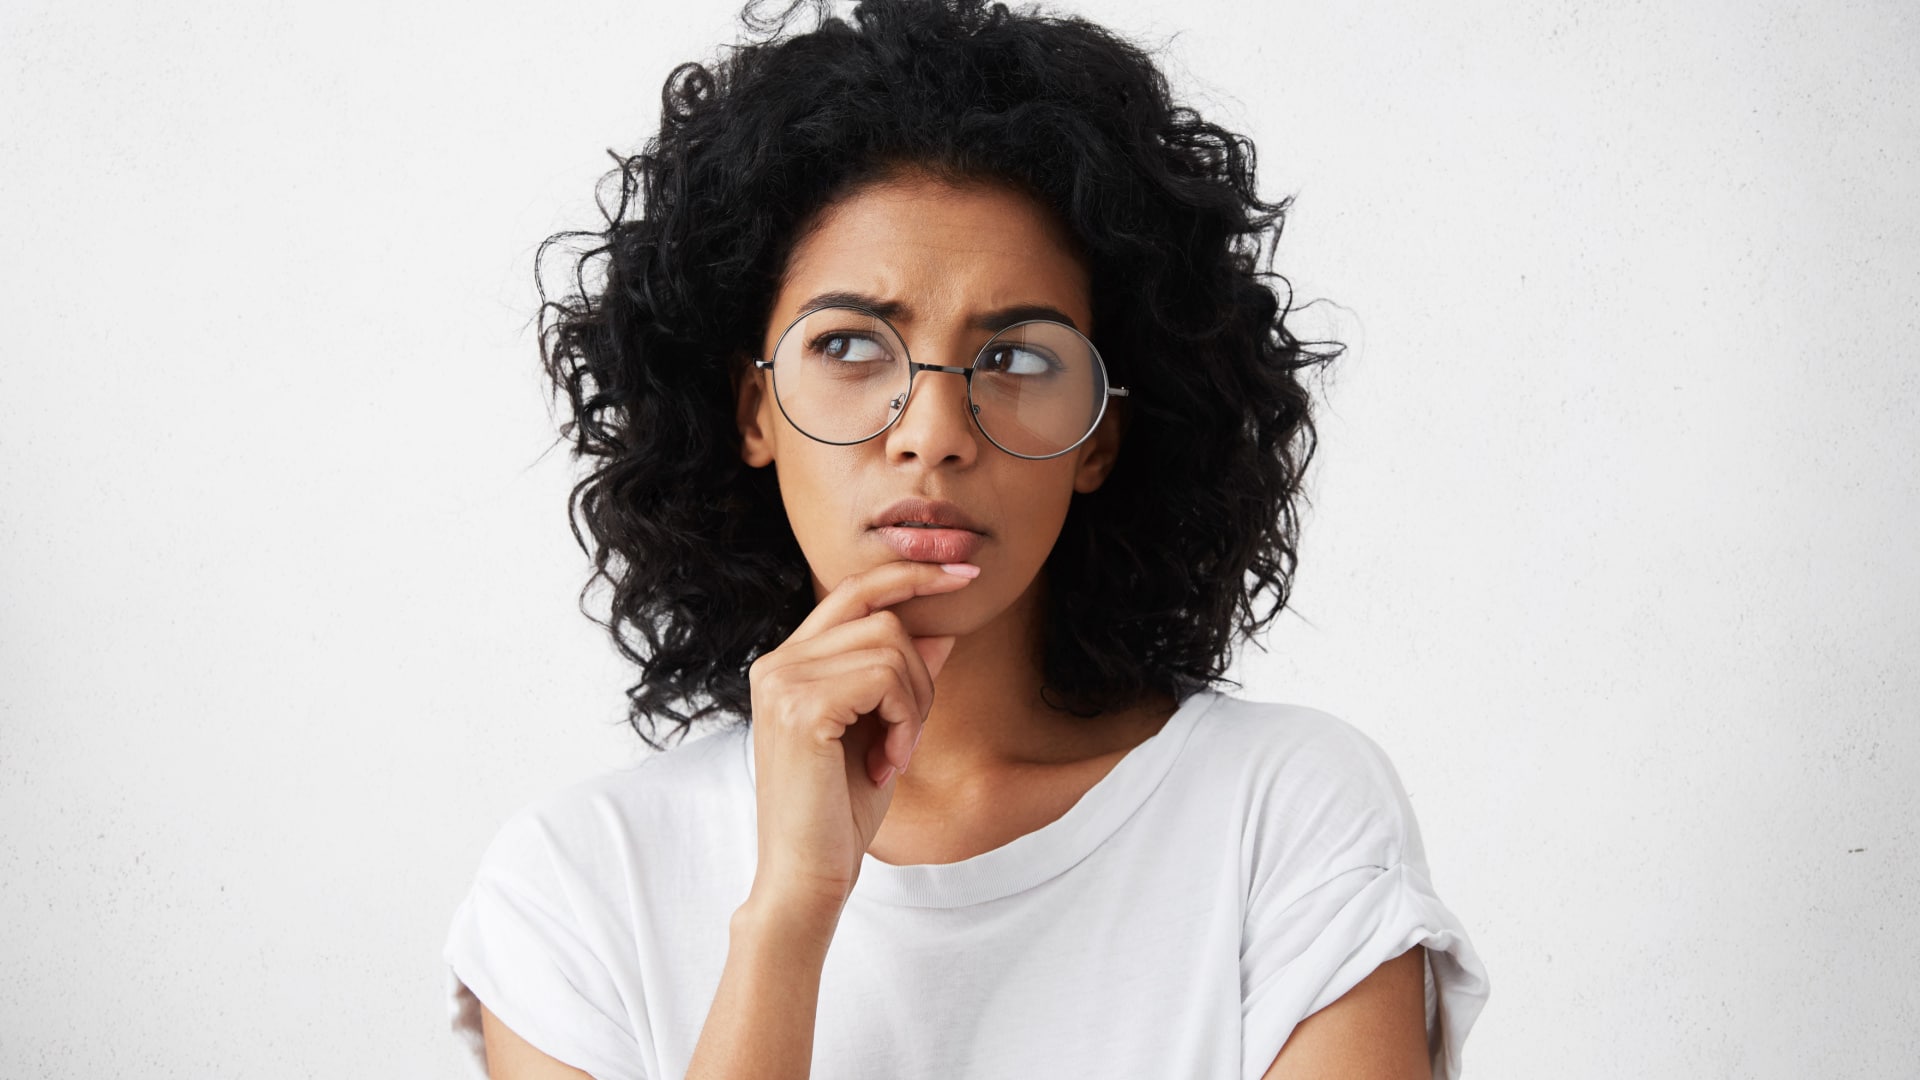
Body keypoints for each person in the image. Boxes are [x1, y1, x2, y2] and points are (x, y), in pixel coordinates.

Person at [443, 0, 1489, 1076]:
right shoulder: (577, 880)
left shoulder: (1284, 815)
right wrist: (792, 912)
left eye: (1021, 360)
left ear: (1102, 437)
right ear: (753, 411)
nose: (933, 436)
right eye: (851, 344)